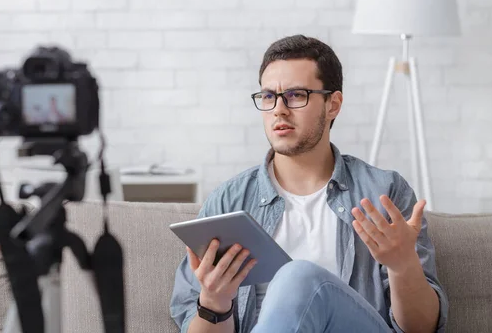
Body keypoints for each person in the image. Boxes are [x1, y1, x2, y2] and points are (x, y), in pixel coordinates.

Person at [170, 35, 448, 333]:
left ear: (333, 104)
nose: (279, 109)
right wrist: (214, 302)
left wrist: (402, 266)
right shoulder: (229, 202)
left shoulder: (384, 193)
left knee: (297, 276)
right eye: (268, 96)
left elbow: (422, 328)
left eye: (295, 95)